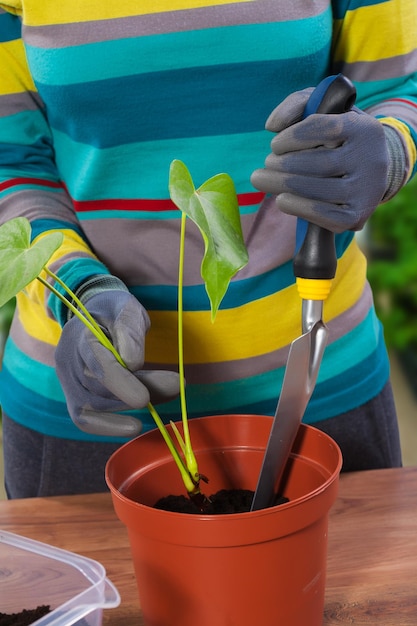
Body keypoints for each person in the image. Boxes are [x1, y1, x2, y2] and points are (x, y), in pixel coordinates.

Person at [0, 1, 416, 499]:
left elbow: (396, 91)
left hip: (315, 379)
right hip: (96, 396)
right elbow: (12, 162)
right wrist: (80, 291)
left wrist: (388, 150)